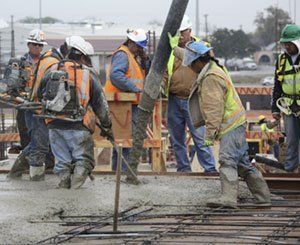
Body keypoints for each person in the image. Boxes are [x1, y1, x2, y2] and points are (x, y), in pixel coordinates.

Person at [173, 41, 271, 208]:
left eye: (191, 64)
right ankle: (263, 197)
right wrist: (174, 48)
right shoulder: (213, 66)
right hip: (236, 122)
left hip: (229, 125)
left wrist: (209, 135)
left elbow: (214, 109)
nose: (189, 67)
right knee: (242, 164)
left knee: (227, 161)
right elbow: (188, 55)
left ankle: (228, 198)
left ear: (198, 62)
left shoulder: (210, 78)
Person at [39, 39, 113, 188]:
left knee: (62, 162)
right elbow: (101, 106)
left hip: (54, 125)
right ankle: (75, 192)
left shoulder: (52, 70)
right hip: (78, 125)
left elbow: (40, 94)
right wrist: (107, 127)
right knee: (83, 161)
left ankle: (65, 191)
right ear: (82, 56)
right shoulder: (87, 75)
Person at [7, 35, 83, 180]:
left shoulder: (50, 59)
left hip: (36, 107)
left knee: (39, 143)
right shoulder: (53, 62)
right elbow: (48, 89)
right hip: (37, 109)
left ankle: (17, 173)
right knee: (39, 145)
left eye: (40, 45)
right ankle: (34, 179)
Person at [163, 15, 216, 172]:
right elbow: (165, 71)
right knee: (177, 140)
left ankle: (210, 169)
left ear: (189, 31)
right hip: (174, 99)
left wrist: (177, 49)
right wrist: (161, 84)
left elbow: (210, 65)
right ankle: (183, 169)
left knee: (200, 138)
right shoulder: (170, 49)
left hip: (194, 100)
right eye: (177, 33)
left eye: (182, 32)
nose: (179, 37)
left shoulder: (202, 46)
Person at [105, 28, 149, 171]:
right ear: (131, 42)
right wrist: (135, 89)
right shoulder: (123, 55)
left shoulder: (131, 56)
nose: (139, 50)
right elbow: (116, 75)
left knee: (123, 142)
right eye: (138, 46)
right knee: (126, 141)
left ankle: (120, 172)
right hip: (122, 105)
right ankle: (124, 172)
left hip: (127, 105)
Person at [271, 24, 300, 173]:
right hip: (288, 107)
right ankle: (290, 170)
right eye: (285, 44)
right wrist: (274, 108)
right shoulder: (281, 60)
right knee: (291, 140)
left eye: (290, 44)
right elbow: (277, 85)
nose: (287, 47)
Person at [16, 29, 46, 150]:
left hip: (40, 106)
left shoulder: (47, 63)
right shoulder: (19, 62)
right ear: (28, 45)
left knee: (43, 137)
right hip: (23, 104)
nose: (37, 47)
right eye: (34, 44)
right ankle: (27, 165)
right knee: (25, 135)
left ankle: (44, 165)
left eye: (40, 45)